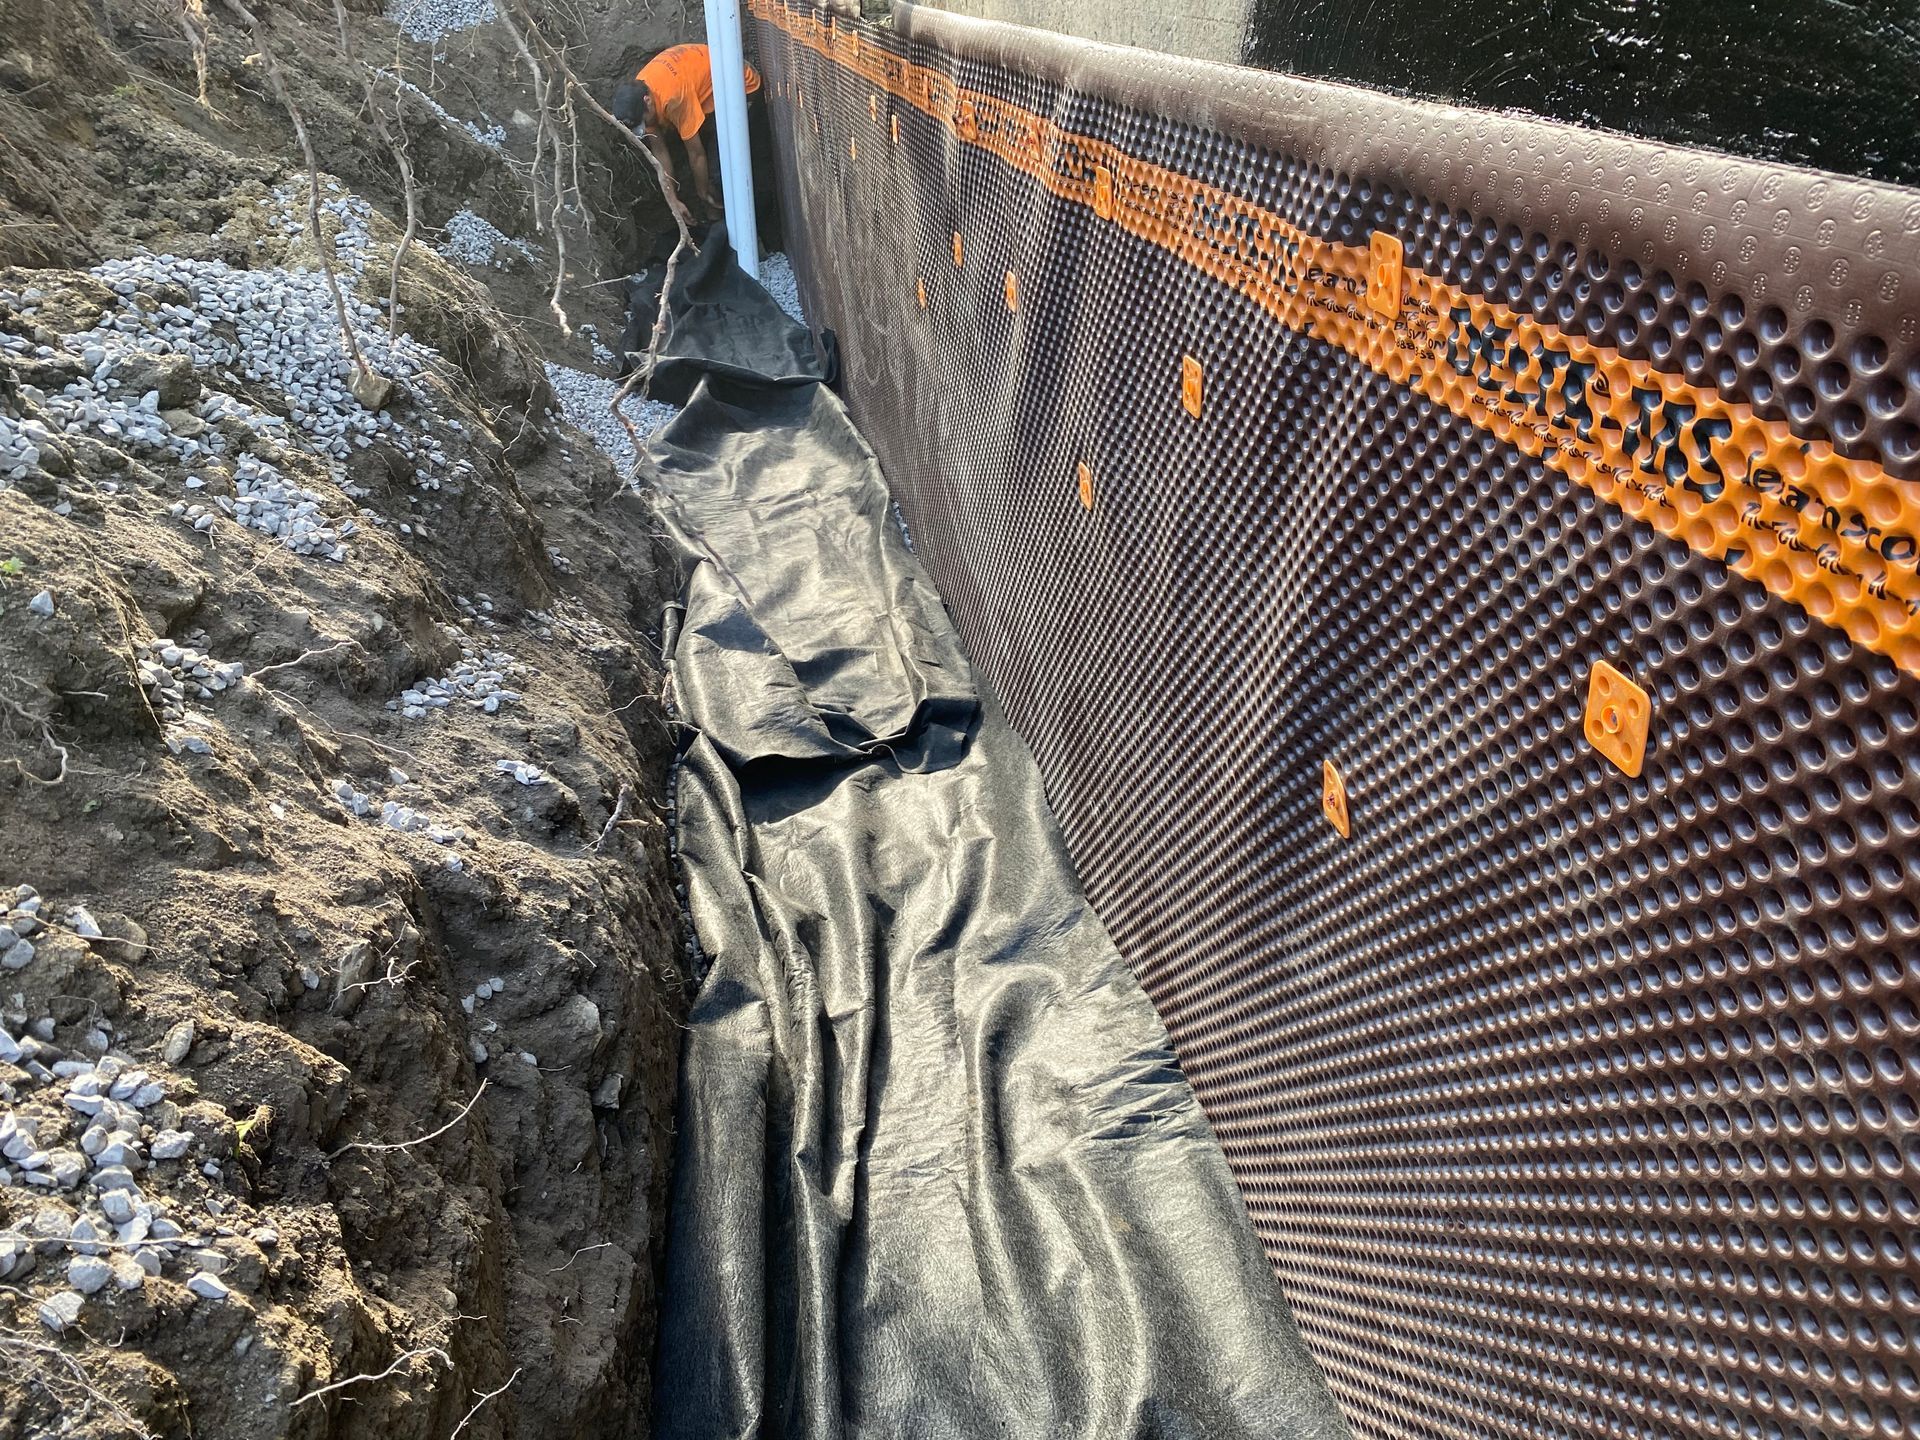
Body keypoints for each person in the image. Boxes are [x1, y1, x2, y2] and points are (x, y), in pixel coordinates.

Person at [611, 43, 778, 248]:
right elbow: (660, 152)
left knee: (721, 176)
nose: (644, 129)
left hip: (742, 89)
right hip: (711, 93)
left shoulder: (673, 98)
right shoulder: (641, 97)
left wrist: (703, 192)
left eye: (643, 123)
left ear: (648, 102)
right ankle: (718, 228)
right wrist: (673, 201)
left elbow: (697, 154)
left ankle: (755, 238)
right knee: (710, 172)